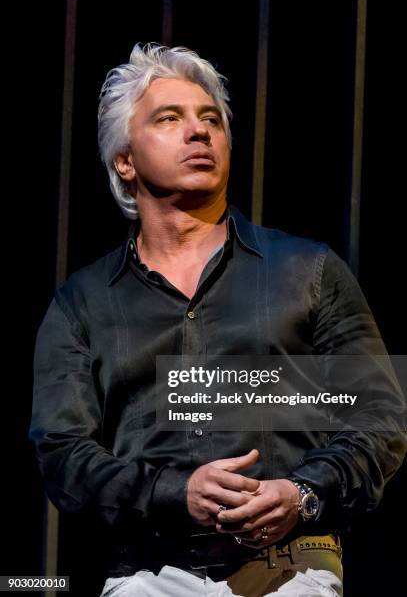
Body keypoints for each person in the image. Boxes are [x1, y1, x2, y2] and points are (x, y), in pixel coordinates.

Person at [30, 43, 406, 597]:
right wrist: (173, 494)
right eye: (169, 118)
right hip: (149, 574)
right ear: (125, 161)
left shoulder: (309, 269)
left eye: (211, 119)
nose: (199, 131)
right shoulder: (82, 303)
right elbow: (62, 452)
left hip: (291, 566)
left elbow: (379, 418)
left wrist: (302, 493)